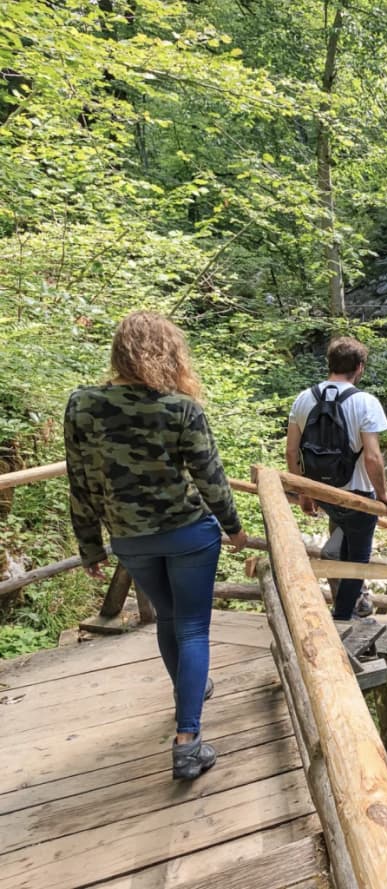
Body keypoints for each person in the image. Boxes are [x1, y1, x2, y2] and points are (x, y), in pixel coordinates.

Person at [64, 311, 247, 780]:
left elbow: (80, 481)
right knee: (193, 628)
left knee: (170, 618)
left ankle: (189, 692)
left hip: (130, 539)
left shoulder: (82, 405)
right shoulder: (180, 407)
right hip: (189, 533)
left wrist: (90, 546)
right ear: (171, 354)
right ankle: (188, 741)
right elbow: (211, 477)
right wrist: (234, 528)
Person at [285, 336, 387, 621]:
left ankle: (347, 608)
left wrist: (305, 492)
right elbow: (372, 458)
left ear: (329, 364)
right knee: (357, 560)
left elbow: (291, 451)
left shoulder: (304, 398)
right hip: (358, 497)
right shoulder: (365, 402)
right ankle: (343, 618)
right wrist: (383, 495)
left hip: (323, 492)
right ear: (359, 367)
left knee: (343, 543)